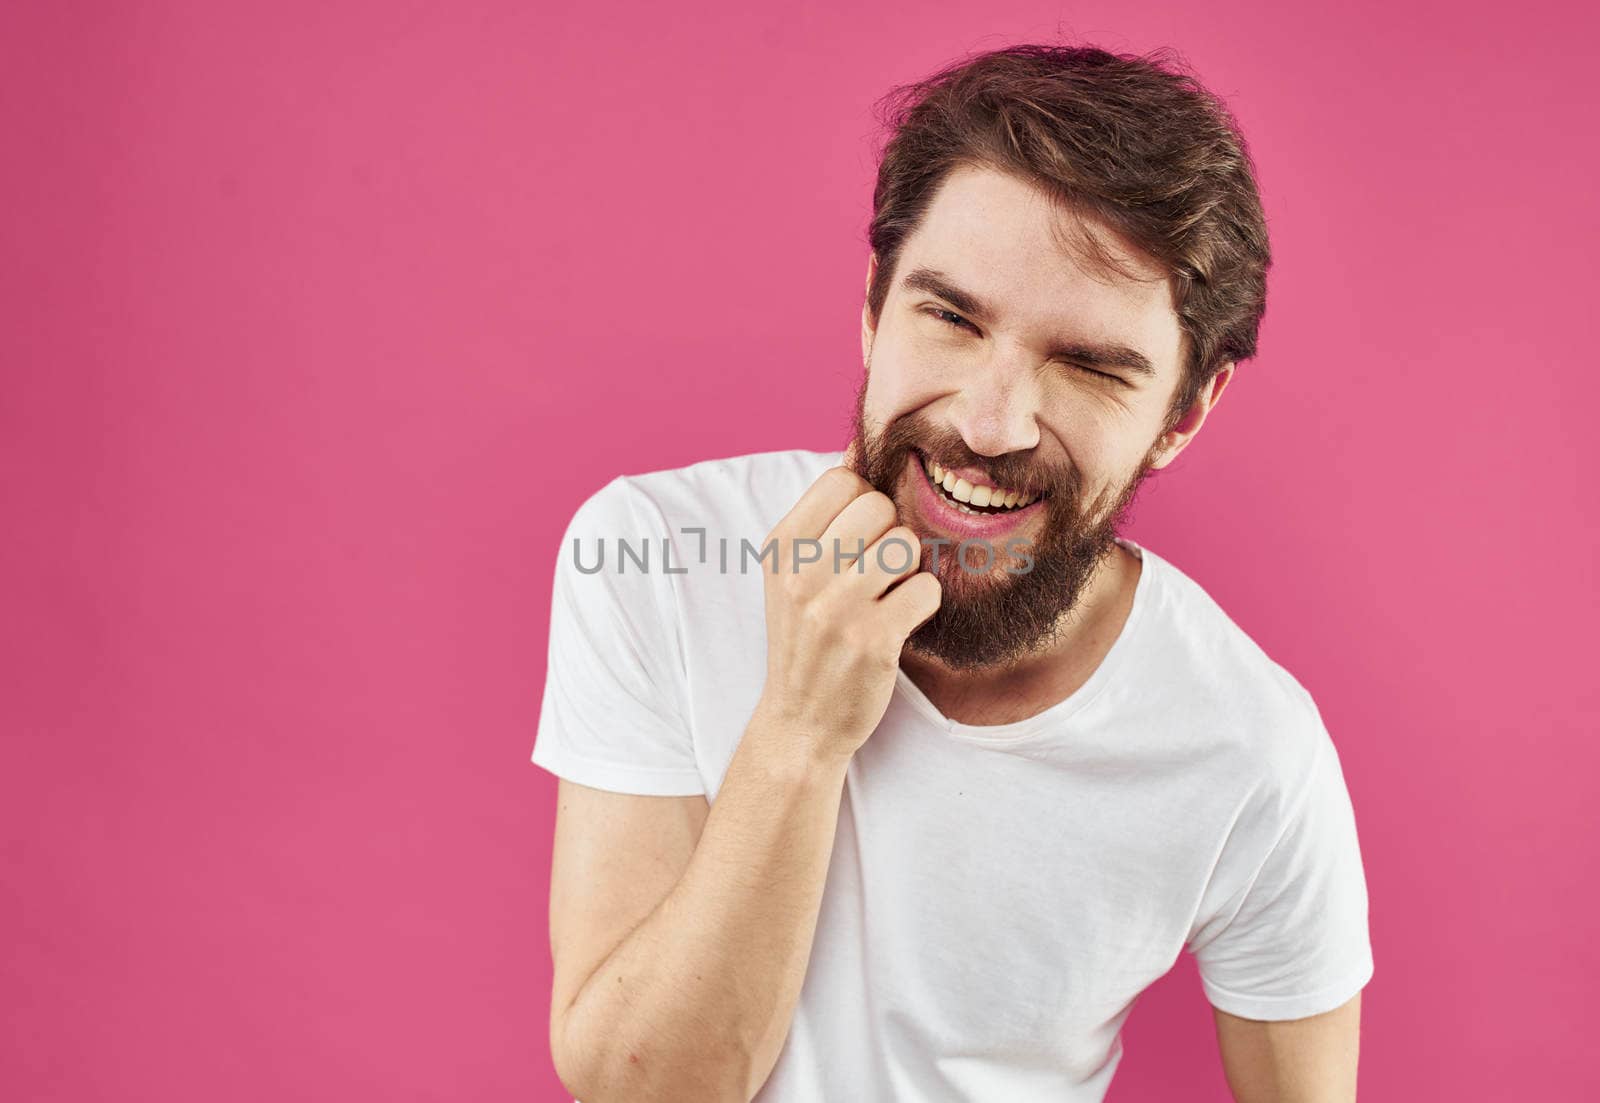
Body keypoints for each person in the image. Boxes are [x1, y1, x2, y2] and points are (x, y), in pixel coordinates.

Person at [532, 43, 1373, 1103]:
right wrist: (799, 727)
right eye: (951, 317)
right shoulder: (651, 552)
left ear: (1183, 413)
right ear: (875, 308)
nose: (990, 422)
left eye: (1088, 366)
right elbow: (638, 1085)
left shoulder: (1250, 747)